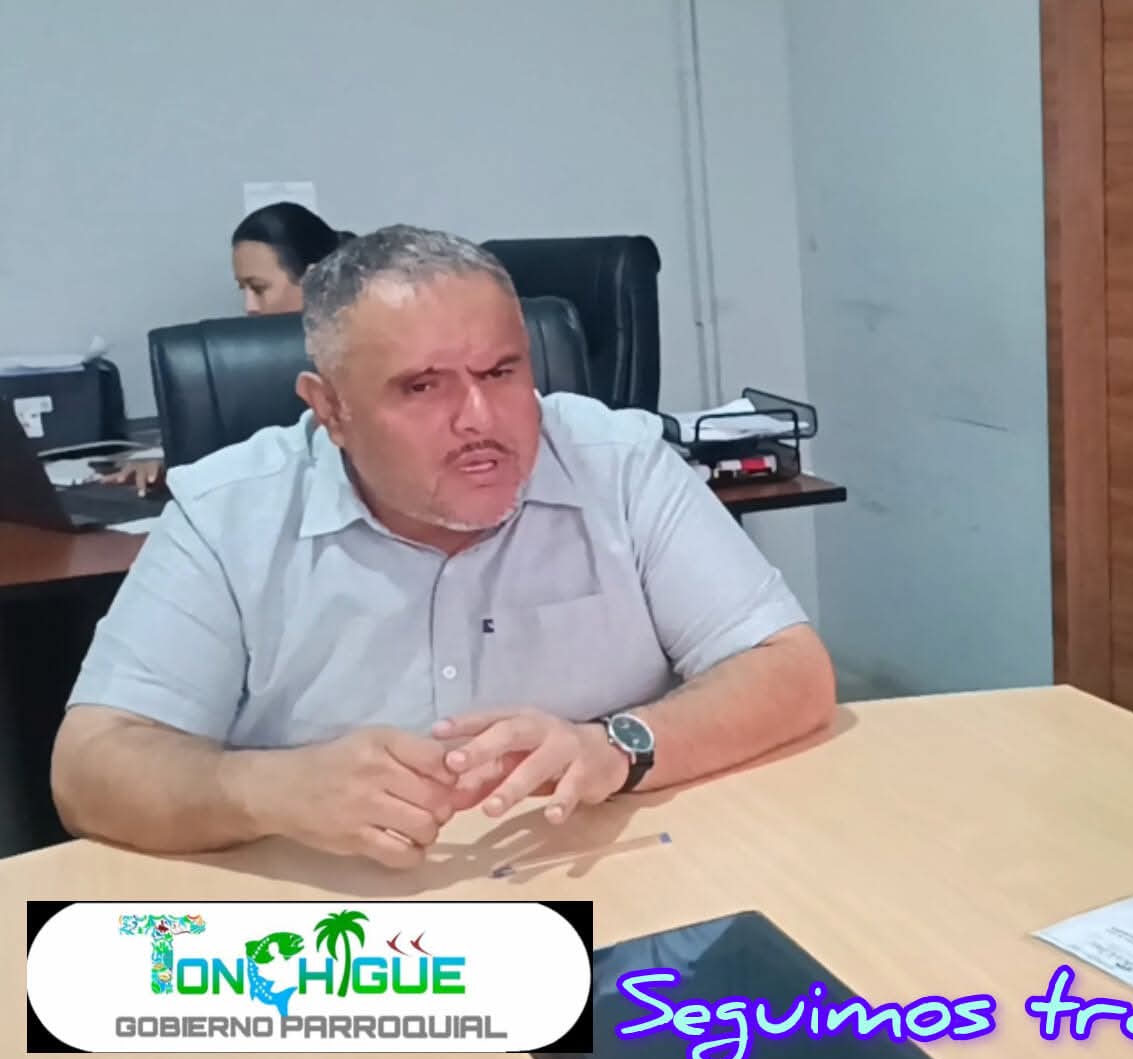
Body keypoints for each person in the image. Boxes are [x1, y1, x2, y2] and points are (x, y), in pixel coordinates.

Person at [50, 224, 836, 869]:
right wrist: (265, 789)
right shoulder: (229, 514)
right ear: (331, 409)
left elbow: (791, 668)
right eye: (421, 387)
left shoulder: (617, 463)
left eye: (501, 372)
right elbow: (90, 767)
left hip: (606, 882)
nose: (480, 420)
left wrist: (620, 745)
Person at [109, 202, 352, 494]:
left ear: (315, 280)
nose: (250, 307)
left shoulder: (358, 359)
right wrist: (172, 463)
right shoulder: (248, 369)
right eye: (243, 290)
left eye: (259, 288)